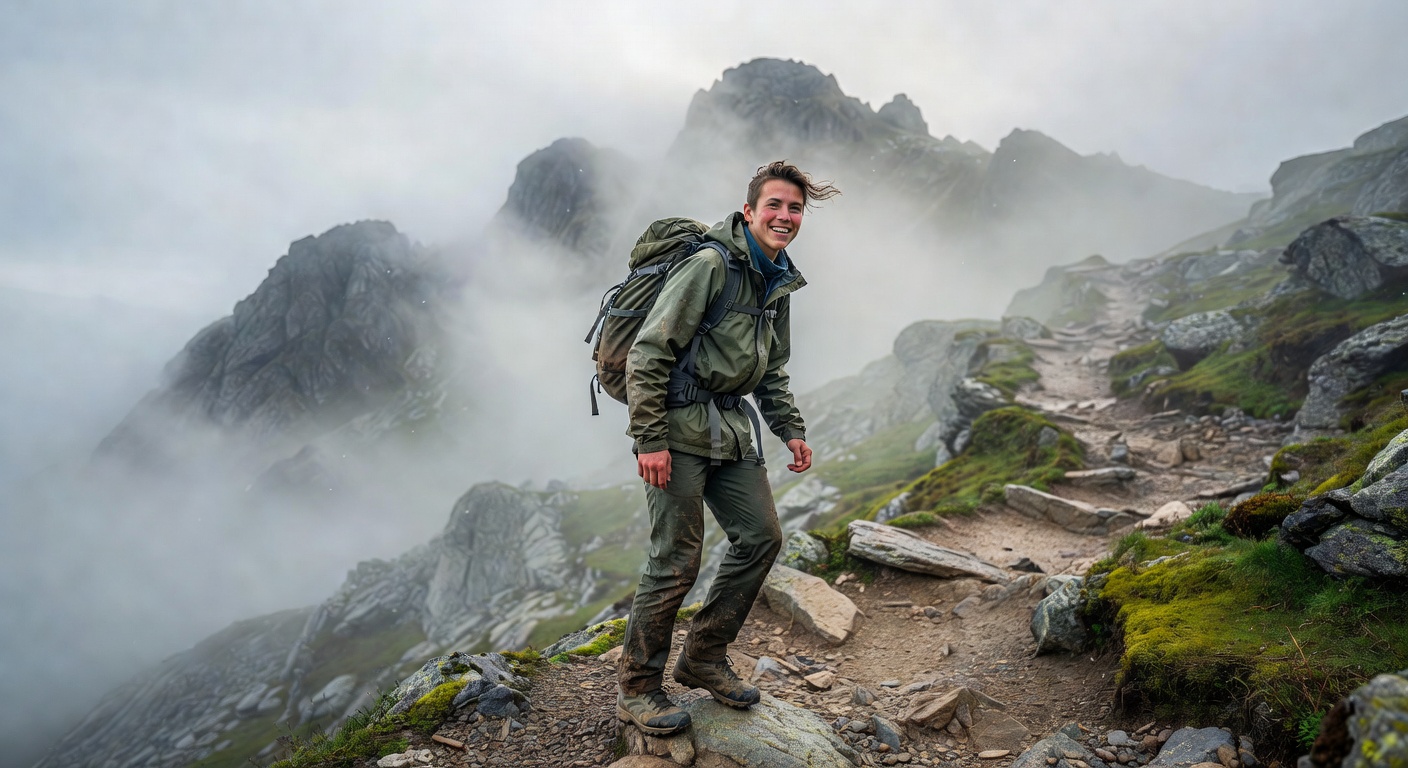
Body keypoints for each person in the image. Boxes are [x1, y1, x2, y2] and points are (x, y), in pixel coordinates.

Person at [616, 161, 840, 734]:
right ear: (750, 211)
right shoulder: (710, 265)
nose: (785, 217)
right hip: (676, 429)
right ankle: (639, 688)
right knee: (676, 559)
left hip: (733, 431)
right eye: (775, 206)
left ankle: (703, 658)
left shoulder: (779, 280)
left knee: (761, 537)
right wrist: (650, 438)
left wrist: (790, 428)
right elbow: (648, 352)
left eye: (794, 209)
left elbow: (771, 369)